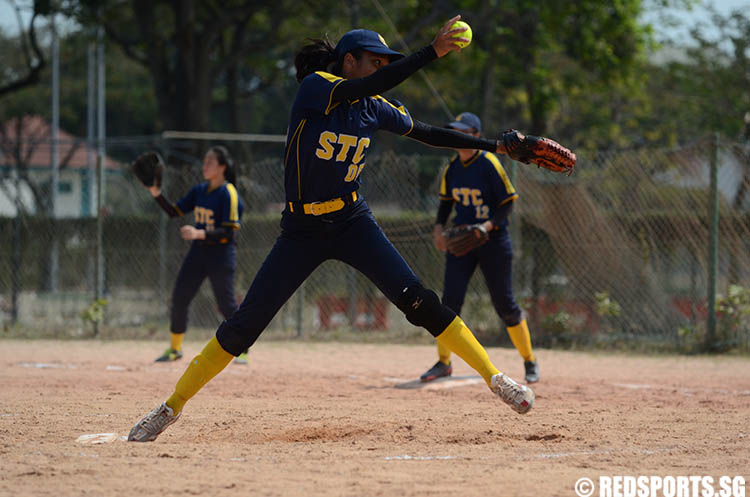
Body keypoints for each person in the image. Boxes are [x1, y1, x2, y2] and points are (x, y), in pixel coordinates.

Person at [128, 15, 536, 443]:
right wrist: (431, 52)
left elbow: (431, 135)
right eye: (374, 62)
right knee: (243, 327)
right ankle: (169, 408)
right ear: (348, 62)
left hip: (352, 221)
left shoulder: (374, 106)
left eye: (385, 63)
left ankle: (497, 379)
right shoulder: (317, 88)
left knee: (420, 301)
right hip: (301, 230)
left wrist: (494, 146)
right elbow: (368, 87)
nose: (382, 68)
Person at [420, 112, 539, 384]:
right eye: (455, 131)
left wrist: (487, 226)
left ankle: (529, 360)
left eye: (464, 131)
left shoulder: (489, 164)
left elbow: (508, 202)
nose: (458, 136)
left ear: (476, 135)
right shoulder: (452, 169)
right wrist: (438, 228)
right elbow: (445, 203)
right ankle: (443, 362)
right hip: (462, 243)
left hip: (493, 241)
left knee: (505, 305)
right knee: (448, 303)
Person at [145, 146, 249, 365]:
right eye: (204, 162)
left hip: (221, 254)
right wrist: (156, 192)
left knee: (226, 303)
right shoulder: (200, 190)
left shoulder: (228, 193)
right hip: (199, 253)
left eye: (210, 162)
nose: (205, 166)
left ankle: (242, 349)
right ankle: (175, 349)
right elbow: (174, 211)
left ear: (222, 167)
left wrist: (199, 233)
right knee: (180, 296)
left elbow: (229, 231)